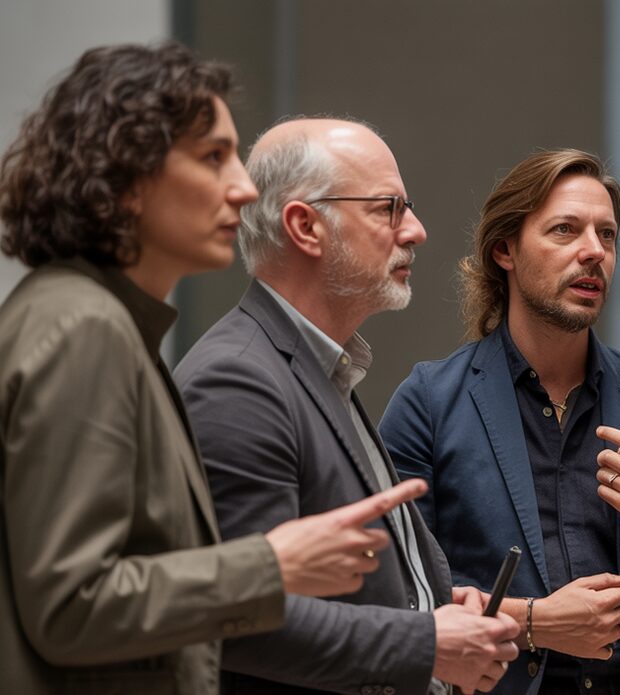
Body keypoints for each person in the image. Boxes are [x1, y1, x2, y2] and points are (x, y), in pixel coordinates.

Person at [0, 43, 425, 694]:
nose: (244, 188)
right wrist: (270, 565)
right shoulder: (84, 327)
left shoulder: (103, 322)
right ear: (126, 175)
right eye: (212, 157)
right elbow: (71, 605)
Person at [174, 117, 520, 695]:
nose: (416, 231)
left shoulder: (320, 367)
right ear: (305, 227)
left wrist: (431, 605)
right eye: (389, 209)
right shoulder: (237, 381)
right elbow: (241, 620)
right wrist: (424, 643)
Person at [379, 148, 620, 695]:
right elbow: (396, 597)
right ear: (505, 250)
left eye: (607, 235)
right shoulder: (429, 402)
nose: (594, 251)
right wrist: (534, 622)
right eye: (565, 230)